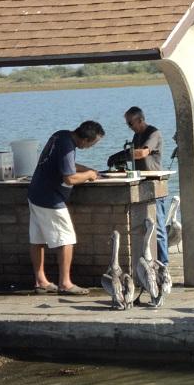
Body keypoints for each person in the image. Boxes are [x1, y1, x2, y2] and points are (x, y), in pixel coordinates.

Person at [28, 120, 104, 295]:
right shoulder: (68, 146)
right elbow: (69, 178)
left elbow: (64, 164)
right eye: (94, 143)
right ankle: (65, 283)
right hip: (50, 198)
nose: (92, 146)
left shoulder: (61, 135)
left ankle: (41, 281)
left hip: (35, 193)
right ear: (85, 140)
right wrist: (90, 175)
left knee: (37, 238)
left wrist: (87, 170)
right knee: (67, 239)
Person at [107, 106, 169, 265]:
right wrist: (121, 159)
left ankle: (164, 264)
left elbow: (141, 153)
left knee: (159, 228)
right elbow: (134, 156)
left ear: (140, 120)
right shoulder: (136, 136)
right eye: (127, 124)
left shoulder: (153, 133)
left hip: (155, 184)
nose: (130, 127)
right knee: (144, 226)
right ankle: (149, 261)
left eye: (130, 123)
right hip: (141, 183)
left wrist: (122, 154)